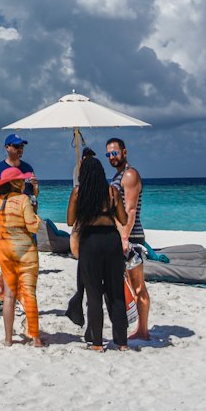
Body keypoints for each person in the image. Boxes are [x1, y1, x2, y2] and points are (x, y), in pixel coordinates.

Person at [67, 151, 129, 350]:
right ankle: (121, 342)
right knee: (116, 292)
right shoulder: (112, 192)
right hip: (111, 241)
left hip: (90, 242)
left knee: (93, 294)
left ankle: (97, 343)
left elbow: (70, 220)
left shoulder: (78, 193)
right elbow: (124, 220)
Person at [0, 166, 43, 346]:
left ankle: (7, 339)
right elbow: (32, 226)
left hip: (6, 254)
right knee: (29, 293)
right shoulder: (23, 199)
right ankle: (35, 338)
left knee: (9, 297)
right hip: (26, 254)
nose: (24, 183)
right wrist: (35, 206)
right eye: (21, 180)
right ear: (14, 182)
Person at [106, 137, 151, 341]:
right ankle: (135, 326)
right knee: (125, 284)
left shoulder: (130, 175)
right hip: (121, 235)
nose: (111, 157)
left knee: (138, 285)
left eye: (115, 153)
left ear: (124, 152)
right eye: (108, 154)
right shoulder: (118, 176)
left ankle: (143, 329)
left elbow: (130, 210)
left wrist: (124, 238)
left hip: (131, 236)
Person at [0, 135, 38, 295]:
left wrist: (36, 188)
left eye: (22, 146)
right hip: (5, 222)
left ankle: (20, 295)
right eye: (17, 146)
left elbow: (34, 195)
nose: (20, 149)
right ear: (7, 148)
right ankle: (5, 293)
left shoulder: (28, 168)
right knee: (6, 259)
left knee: (25, 259)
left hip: (26, 220)